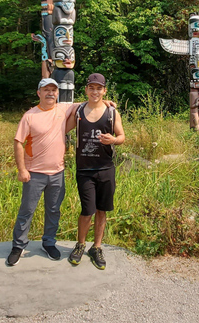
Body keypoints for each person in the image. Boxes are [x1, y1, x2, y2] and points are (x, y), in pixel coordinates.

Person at [7, 78, 80, 266]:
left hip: (57, 173)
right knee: (27, 210)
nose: (50, 93)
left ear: (57, 93)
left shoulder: (63, 110)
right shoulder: (30, 116)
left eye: (53, 90)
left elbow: (87, 103)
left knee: (54, 210)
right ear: (38, 93)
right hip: (34, 173)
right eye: (46, 90)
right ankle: (18, 245)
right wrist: (21, 169)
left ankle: (49, 242)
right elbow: (18, 142)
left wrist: (106, 102)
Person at [65, 73, 125, 270]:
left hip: (106, 168)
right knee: (87, 210)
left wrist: (114, 140)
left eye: (99, 88)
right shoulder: (79, 111)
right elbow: (63, 128)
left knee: (102, 210)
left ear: (104, 90)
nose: (95, 91)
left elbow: (122, 135)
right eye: (91, 88)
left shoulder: (112, 113)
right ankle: (81, 244)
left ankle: (96, 247)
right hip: (85, 169)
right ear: (86, 90)